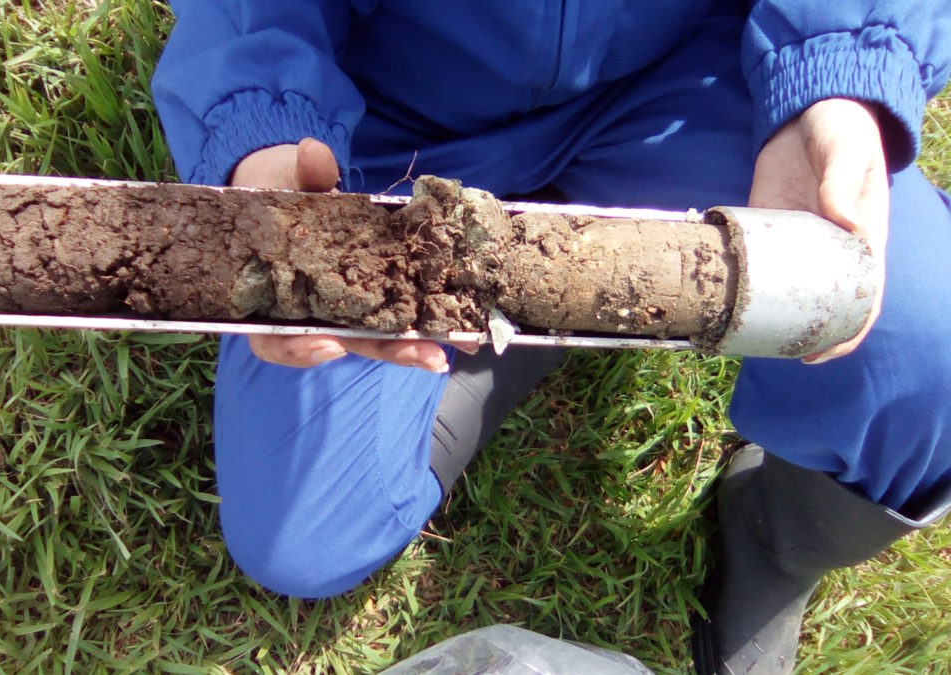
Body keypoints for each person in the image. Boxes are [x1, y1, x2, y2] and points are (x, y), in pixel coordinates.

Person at [151, 1, 951, 672]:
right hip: (392, 108)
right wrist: (257, 128)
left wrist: (839, 73)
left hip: (687, 77)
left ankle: (782, 539)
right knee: (304, 532)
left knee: (922, 347)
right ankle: (521, 319)